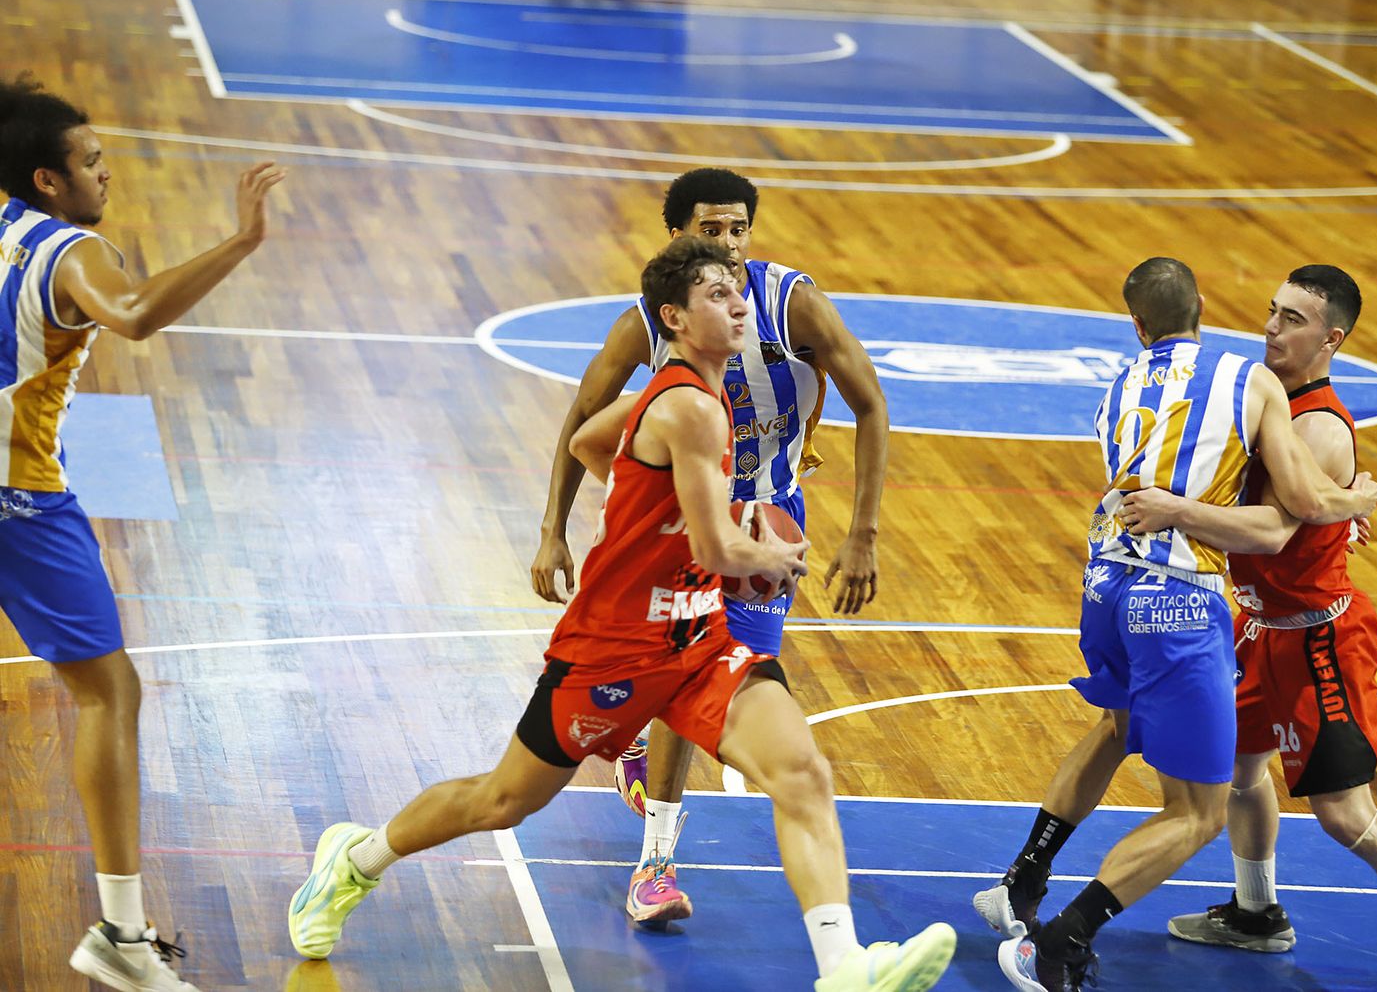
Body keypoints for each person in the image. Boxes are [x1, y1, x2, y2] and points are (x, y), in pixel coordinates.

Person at [287, 236, 953, 992]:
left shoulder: (673, 397)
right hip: (611, 650)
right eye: (716, 295)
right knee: (501, 800)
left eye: (740, 292)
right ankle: (355, 858)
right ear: (672, 316)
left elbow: (589, 437)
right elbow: (716, 545)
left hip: (699, 640)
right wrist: (764, 556)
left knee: (802, 770)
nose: (739, 304)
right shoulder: (691, 410)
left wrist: (642, 508)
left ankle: (845, 970)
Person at [973, 257, 1377, 992]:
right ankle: (1059, 943)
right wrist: (1354, 499)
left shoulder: (1116, 388)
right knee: (1200, 811)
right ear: (1203, 305)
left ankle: (1020, 881)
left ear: (1136, 325)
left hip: (1103, 582)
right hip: (1178, 600)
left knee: (1114, 727)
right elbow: (1288, 514)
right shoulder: (1247, 380)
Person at [1114, 266, 1377, 990]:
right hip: (1259, 627)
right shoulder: (1269, 399)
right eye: (1271, 311)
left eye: (1292, 319)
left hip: (1319, 637)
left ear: (1332, 338)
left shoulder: (1319, 426)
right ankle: (1256, 914)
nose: (1271, 328)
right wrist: (1349, 502)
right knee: (1234, 770)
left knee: (1345, 815)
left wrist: (1175, 510)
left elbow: (1265, 534)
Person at [529, 166, 888, 925]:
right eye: (710, 229)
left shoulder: (793, 302)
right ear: (678, 235)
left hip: (768, 518)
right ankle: (654, 864)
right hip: (674, 518)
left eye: (738, 229)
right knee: (674, 664)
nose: (726, 244)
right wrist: (552, 529)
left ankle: (658, 820)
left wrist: (863, 534)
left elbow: (870, 399)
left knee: (719, 672)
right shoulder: (652, 318)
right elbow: (585, 416)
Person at [0, 73, 285, 992]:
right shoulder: (67, 248)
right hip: (18, 497)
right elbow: (133, 315)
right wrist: (242, 241)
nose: (107, 173)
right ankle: (121, 937)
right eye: (90, 161)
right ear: (47, 180)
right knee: (108, 692)